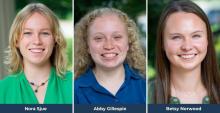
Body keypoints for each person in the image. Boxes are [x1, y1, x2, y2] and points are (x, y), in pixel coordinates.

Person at [149, 0, 220, 104]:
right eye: (176, 37)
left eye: (196, 36)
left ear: (208, 40)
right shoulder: (144, 95)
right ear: (162, 43)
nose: (187, 47)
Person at [0, 3, 72, 104]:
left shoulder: (74, 84)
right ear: (16, 40)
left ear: (55, 40)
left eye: (45, 33)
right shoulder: (2, 90)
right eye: (28, 33)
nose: (37, 41)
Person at [74, 8, 146, 104]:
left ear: (129, 43)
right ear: (87, 46)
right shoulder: (74, 91)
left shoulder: (145, 86)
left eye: (117, 37)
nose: (109, 46)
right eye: (99, 38)